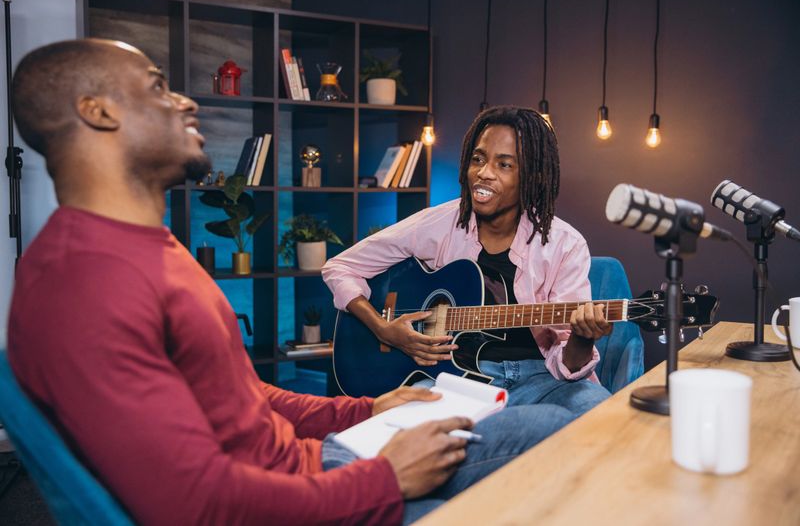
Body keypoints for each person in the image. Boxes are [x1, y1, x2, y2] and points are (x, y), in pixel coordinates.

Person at [6, 39, 575, 525]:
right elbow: (191, 504)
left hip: (314, 462)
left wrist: (365, 410)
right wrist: (385, 478)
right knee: (554, 438)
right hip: (307, 496)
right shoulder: (83, 285)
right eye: (157, 87)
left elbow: (240, 396)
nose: (185, 100)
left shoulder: (149, 250)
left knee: (557, 421)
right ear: (97, 111)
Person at [322, 106, 613, 417]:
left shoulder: (565, 244)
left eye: (504, 164)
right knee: (391, 425)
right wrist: (382, 329)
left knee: (600, 414)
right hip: (451, 379)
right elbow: (340, 267)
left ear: (533, 175)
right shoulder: (440, 223)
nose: (484, 172)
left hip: (540, 378)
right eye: (478, 159)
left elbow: (567, 363)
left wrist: (582, 338)